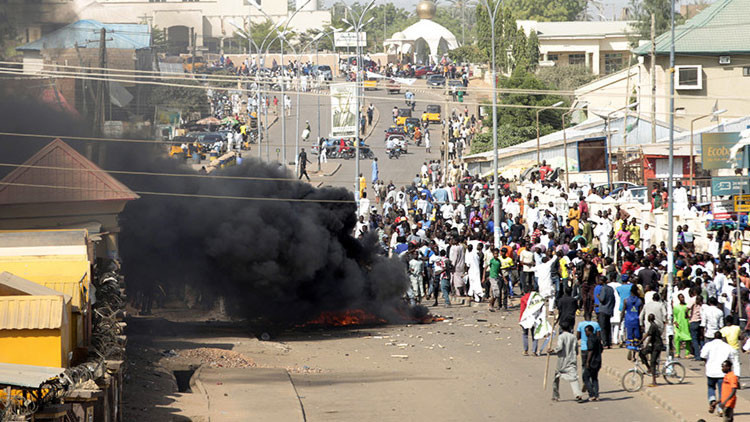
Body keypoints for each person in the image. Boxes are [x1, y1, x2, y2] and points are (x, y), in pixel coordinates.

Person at [702, 332, 741, 415]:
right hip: (722, 373)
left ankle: (712, 401)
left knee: (711, 388)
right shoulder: (727, 346)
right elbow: (734, 360)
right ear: (722, 338)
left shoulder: (708, 345)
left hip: (711, 372)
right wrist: (737, 374)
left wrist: (707, 362)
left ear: (714, 337)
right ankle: (720, 408)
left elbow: (703, 355)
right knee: (722, 392)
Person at [552, 322, 585, 403]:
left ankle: (555, 396)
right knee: (574, 378)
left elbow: (559, 347)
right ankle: (578, 394)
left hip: (562, 361)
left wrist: (553, 350)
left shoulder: (561, 337)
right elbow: (576, 350)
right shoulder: (573, 337)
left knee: (556, 378)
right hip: (571, 360)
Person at [639, 313, 663, 387]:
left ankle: (654, 381)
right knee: (642, 353)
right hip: (653, 345)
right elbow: (650, 337)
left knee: (652, 362)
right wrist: (645, 345)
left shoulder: (653, 326)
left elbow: (647, 335)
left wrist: (640, 341)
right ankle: (648, 368)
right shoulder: (652, 325)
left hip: (657, 346)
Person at [582, 325, 603, 401]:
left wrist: (587, 362)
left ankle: (592, 394)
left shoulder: (590, 339)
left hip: (592, 362)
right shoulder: (597, 338)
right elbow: (601, 349)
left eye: (586, 331)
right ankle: (597, 395)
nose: (585, 333)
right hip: (598, 361)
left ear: (589, 331)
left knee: (585, 377)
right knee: (594, 378)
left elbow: (590, 351)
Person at [596, 276, 615, 348]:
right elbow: (613, 300)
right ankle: (609, 342)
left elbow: (602, 299)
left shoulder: (603, 288)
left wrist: (598, 296)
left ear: (602, 281)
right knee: (608, 327)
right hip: (609, 310)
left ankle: (605, 343)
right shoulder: (611, 289)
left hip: (603, 310)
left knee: (603, 327)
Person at [673, 293, 693, 358]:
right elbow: (675, 315)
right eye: (680, 297)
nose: (682, 298)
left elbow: (689, 315)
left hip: (686, 324)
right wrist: (675, 322)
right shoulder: (676, 307)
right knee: (677, 338)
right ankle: (677, 353)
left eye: (683, 297)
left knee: (687, 339)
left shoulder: (687, 306)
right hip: (679, 324)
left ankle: (687, 354)